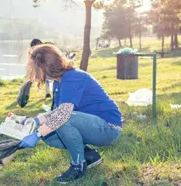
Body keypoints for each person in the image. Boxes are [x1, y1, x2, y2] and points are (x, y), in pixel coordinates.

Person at [17, 44, 122, 183]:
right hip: (93, 125)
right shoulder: (59, 81)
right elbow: (56, 112)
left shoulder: (72, 77)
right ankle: (89, 156)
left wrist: (36, 134)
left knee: (62, 120)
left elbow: (63, 114)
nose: (34, 73)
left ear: (45, 65)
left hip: (108, 128)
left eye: (35, 68)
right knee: (49, 135)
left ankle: (78, 166)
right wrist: (35, 121)